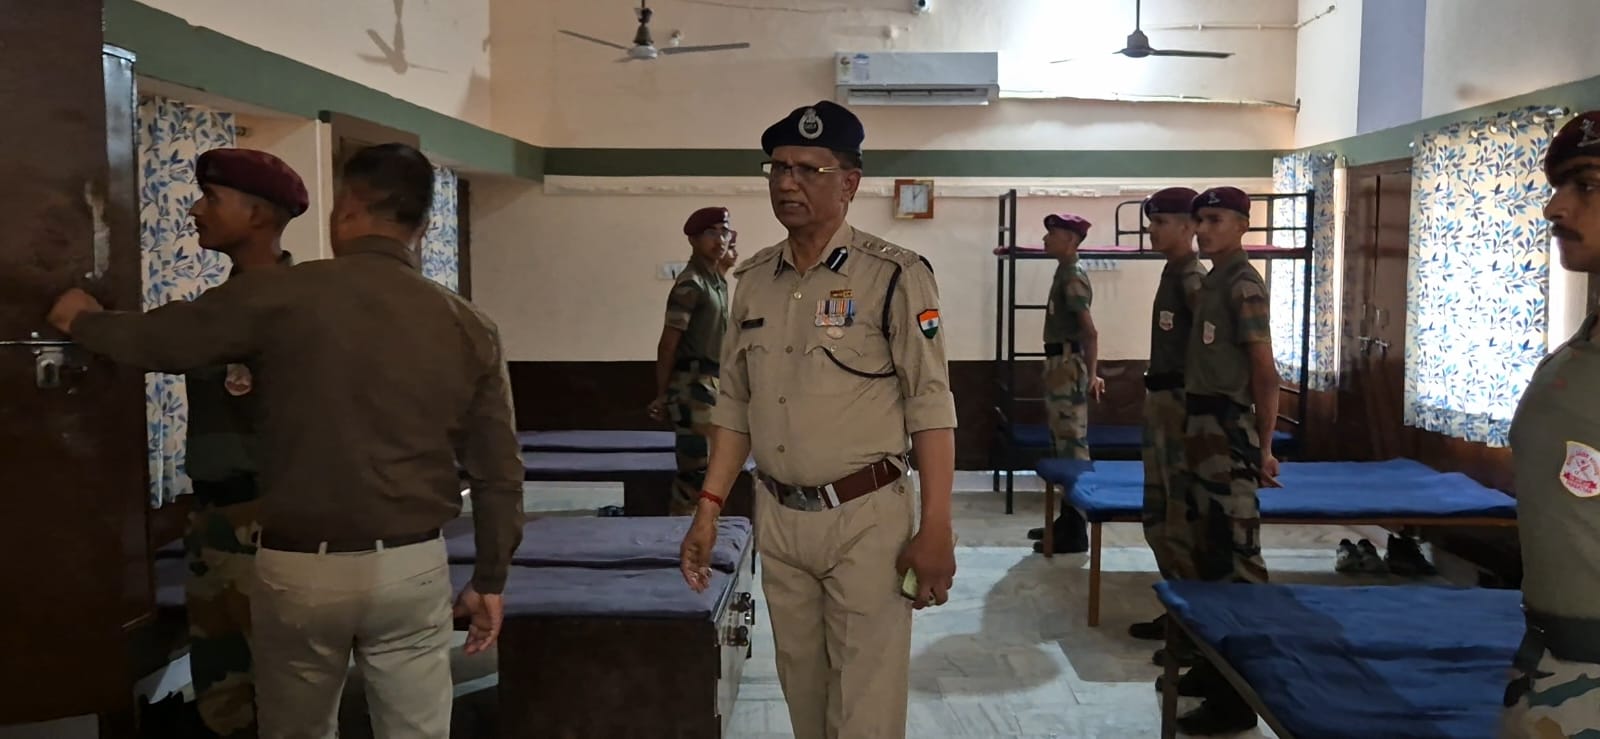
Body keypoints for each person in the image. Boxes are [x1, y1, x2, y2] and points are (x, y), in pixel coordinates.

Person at [47, 143, 524, 739]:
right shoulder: (469, 324)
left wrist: (81, 320)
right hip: (412, 563)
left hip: (299, 564)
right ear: (423, 226)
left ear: (346, 210)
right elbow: (499, 470)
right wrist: (490, 578)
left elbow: (162, 340)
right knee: (417, 730)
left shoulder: (280, 295)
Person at [677, 100, 958, 739]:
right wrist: (709, 506)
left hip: (866, 518)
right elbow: (735, 405)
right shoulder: (753, 280)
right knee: (805, 700)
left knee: (864, 713)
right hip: (780, 519)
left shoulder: (895, 275)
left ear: (849, 182)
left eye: (808, 169)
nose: (787, 183)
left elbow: (931, 405)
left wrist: (937, 525)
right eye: (778, 168)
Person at [182, 147, 308, 739]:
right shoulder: (221, 306)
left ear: (257, 215)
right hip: (212, 521)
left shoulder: (297, 307)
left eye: (211, 198)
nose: (195, 210)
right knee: (221, 693)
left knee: (289, 698)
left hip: (268, 523)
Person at [1501, 110, 1600, 738]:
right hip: (1550, 662)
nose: (1554, 208)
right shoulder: (1574, 354)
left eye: (1586, 185)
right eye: (1557, 186)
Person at [1174, 185, 1280, 735]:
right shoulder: (1214, 280)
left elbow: (1265, 371)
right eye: (1199, 219)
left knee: (1237, 558)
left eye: (1215, 219)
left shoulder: (1242, 284)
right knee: (1208, 549)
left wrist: (1264, 446)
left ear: (1242, 224)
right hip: (1201, 427)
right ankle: (1216, 669)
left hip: (1227, 429)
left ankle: (1241, 694)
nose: (1203, 229)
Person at [1126, 187, 1206, 653]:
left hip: (1180, 407)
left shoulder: (1193, 279)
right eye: (1151, 223)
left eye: (1161, 223)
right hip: (1162, 403)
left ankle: (1194, 627)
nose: (1152, 231)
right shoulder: (1173, 272)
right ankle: (1179, 610)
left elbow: (1210, 354)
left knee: (1178, 519)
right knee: (1158, 515)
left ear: (1188, 226)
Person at [648, 207, 734, 515]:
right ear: (693, 239)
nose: (720, 240)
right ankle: (679, 532)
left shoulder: (716, 281)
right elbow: (668, 344)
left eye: (724, 232)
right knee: (694, 473)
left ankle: (701, 530)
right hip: (692, 388)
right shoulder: (691, 284)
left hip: (713, 385)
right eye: (711, 233)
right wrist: (663, 394)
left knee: (710, 470)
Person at [1026, 213, 1102, 554]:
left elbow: (1090, 332)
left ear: (1070, 240)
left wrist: (1091, 373)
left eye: (1053, 234)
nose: (1045, 239)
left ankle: (1076, 528)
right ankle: (1066, 521)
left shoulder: (1072, 276)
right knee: (1061, 445)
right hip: (1060, 364)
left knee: (1071, 447)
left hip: (1068, 366)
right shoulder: (1064, 271)